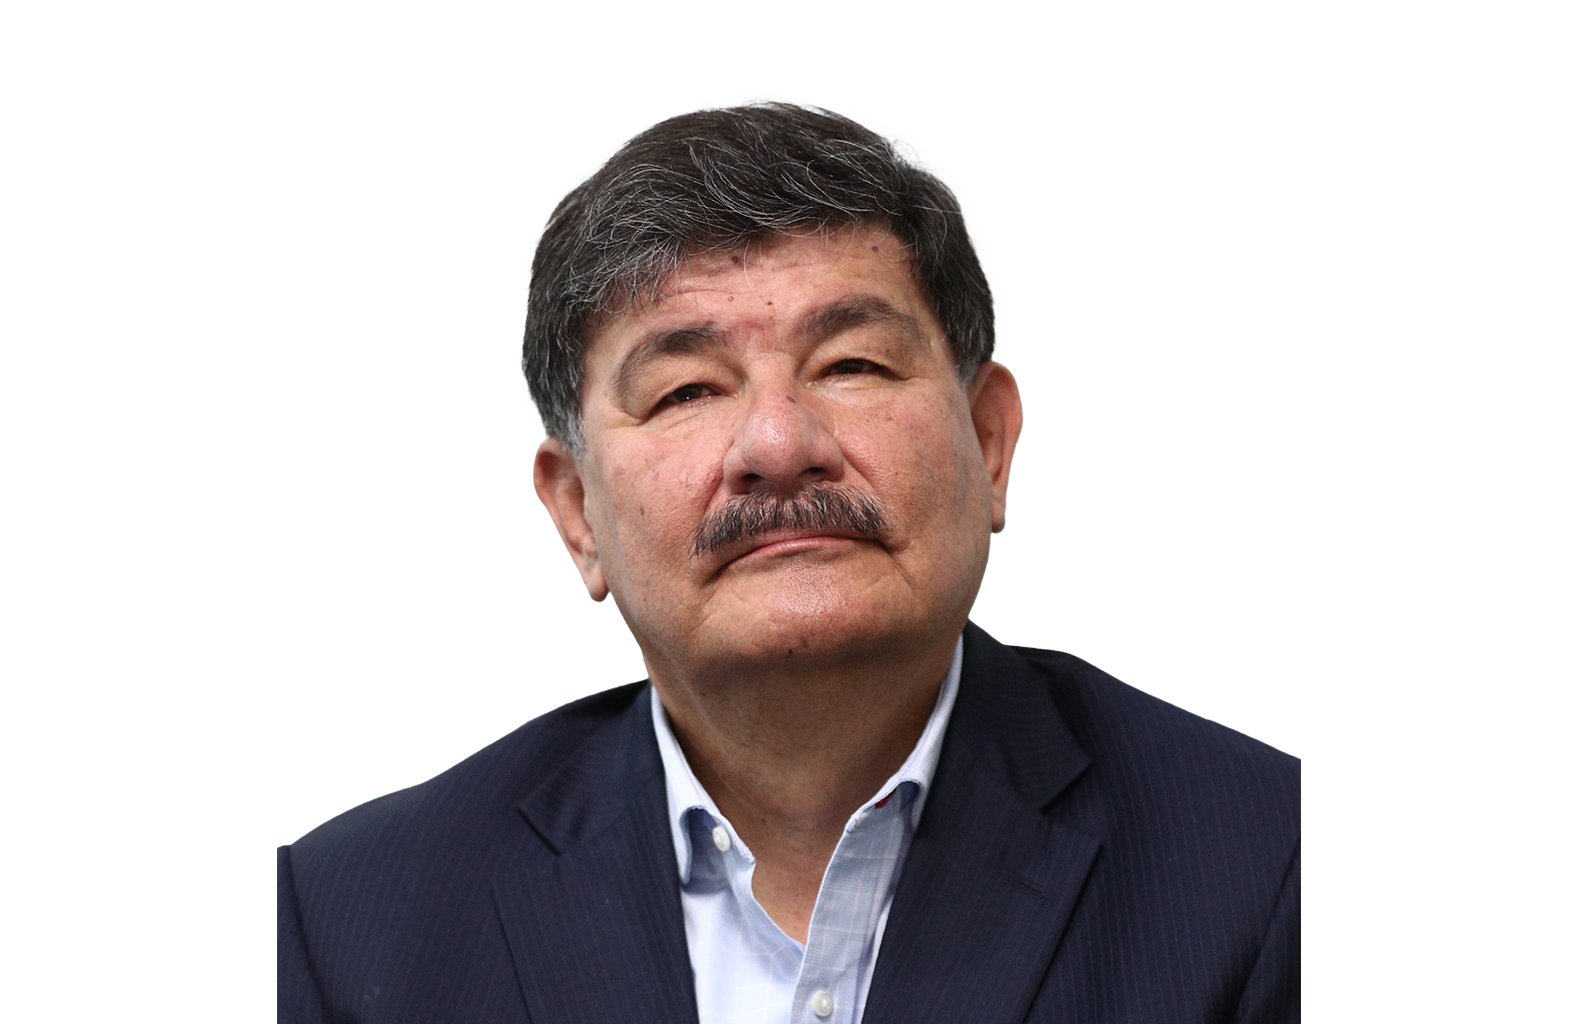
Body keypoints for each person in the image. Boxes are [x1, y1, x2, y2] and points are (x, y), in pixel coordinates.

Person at [278, 99, 1299, 1024]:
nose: (776, 443)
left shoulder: (1274, 870)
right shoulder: (345, 926)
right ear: (578, 512)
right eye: (686, 390)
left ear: (989, 444)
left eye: (851, 364)